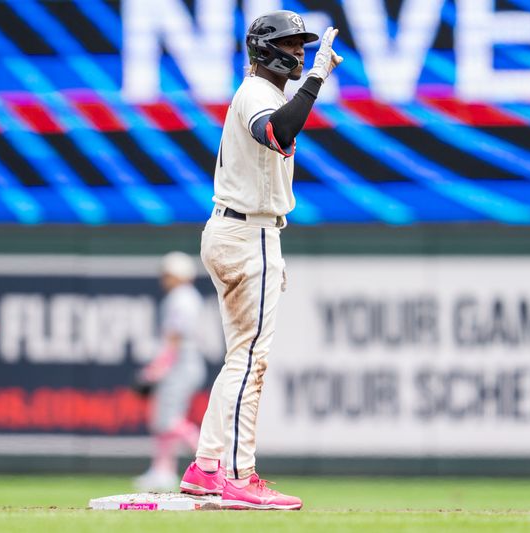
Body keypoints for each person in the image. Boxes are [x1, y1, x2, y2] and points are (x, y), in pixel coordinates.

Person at [177, 10, 342, 510]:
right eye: (291, 44)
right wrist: (316, 78)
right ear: (264, 48)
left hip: (246, 230)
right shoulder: (256, 94)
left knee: (240, 359)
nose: (298, 52)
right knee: (249, 361)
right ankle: (237, 474)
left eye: (302, 45)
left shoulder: (265, 93)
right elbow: (278, 132)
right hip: (246, 232)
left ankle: (206, 468)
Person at [133, 251, 206, 492]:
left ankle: (212, 462)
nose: (163, 278)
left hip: (180, 366)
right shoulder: (185, 296)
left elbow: (174, 338)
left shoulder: (181, 298)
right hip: (180, 365)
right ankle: (163, 470)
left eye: (167, 274)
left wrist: (156, 369)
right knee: (163, 421)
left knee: (170, 421)